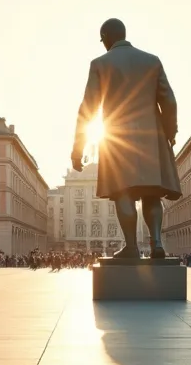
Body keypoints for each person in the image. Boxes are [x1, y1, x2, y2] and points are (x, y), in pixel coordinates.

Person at [71, 19, 182, 259]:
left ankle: (131, 247)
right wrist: (169, 132)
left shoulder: (100, 64)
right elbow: (169, 101)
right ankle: (157, 243)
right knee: (152, 193)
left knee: (123, 192)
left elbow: (88, 108)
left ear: (105, 37)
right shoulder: (152, 60)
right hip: (151, 138)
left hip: (116, 138)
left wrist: (78, 148)